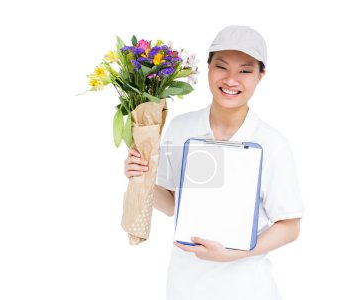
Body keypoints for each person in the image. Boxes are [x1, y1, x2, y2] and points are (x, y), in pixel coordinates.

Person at [124, 25, 304, 300]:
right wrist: (141, 177)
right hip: (184, 288)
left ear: (260, 75)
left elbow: (290, 226)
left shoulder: (272, 144)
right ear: (208, 68)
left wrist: (236, 254)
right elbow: (173, 205)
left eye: (245, 70)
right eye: (222, 67)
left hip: (248, 289)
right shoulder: (181, 128)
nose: (232, 80)